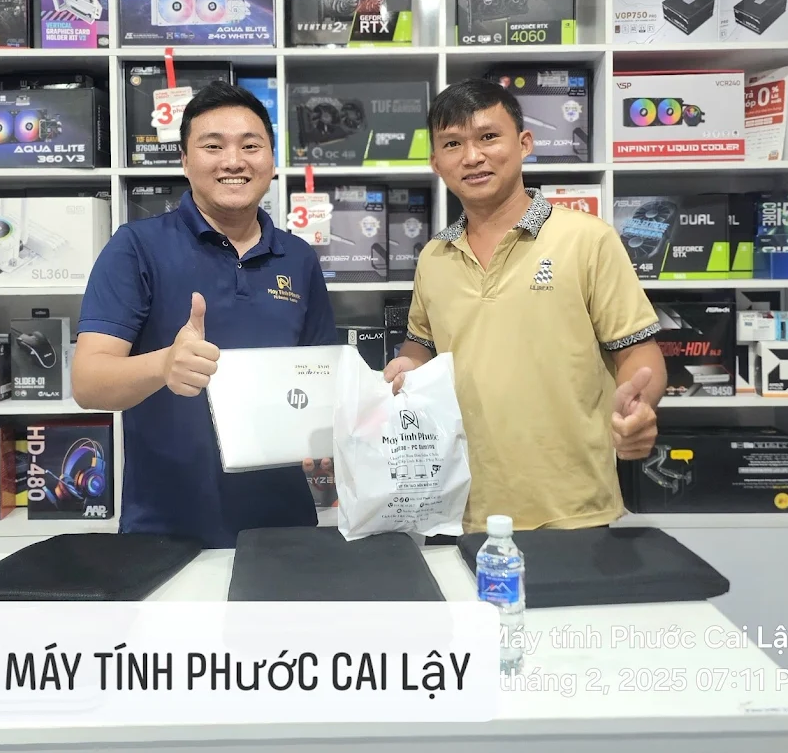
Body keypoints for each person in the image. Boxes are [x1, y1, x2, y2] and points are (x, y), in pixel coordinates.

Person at [383, 80, 666, 534]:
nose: (472, 156)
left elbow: (638, 351)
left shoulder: (587, 239)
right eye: (453, 144)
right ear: (436, 163)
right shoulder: (434, 257)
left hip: (572, 507)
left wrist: (637, 409)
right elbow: (422, 346)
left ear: (525, 143)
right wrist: (406, 366)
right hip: (460, 508)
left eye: (488, 137)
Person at [72, 82, 337, 547]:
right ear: (184, 160)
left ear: (272, 161)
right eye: (213, 146)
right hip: (166, 528)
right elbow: (88, 383)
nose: (233, 161)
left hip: (285, 526)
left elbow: (322, 378)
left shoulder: (298, 258)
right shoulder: (136, 247)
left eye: (250, 146)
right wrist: (163, 364)